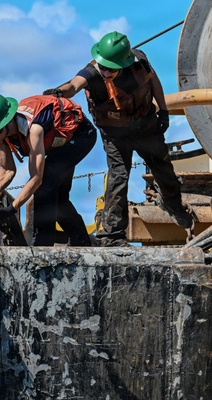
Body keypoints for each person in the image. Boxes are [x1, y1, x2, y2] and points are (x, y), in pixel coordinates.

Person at [43, 31, 193, 247]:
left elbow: (154, 82)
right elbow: (74, 85)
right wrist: (59, 92)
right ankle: (112, 236)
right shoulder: (92, 72)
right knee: (118, 178)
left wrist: (164, 110)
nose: (105, 72)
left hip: (145, 127)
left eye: (110, 69)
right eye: (103, 66)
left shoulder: (139, 62)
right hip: (115, 135)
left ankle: (172, 204)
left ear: (123, 64)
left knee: (164, 170)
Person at [0, 91, 95, 246]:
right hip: (53, 143)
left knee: (46, 184)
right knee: (58, 197)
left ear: (9, 122)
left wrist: (12, 208)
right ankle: (81, 242)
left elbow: (36, 178)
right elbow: (7, 170)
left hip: (81, 136)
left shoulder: (34, 129)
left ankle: (42, 245)